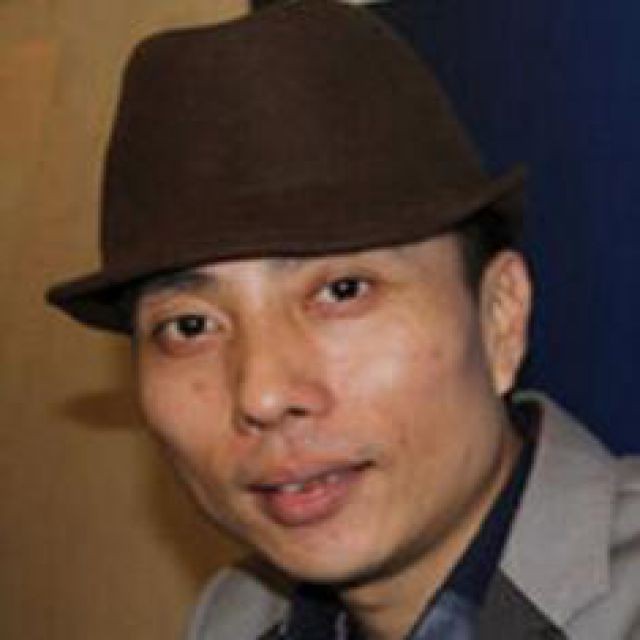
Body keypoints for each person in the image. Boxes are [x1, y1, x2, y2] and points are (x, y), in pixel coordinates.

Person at [46, 1, 640, 638]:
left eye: (343, 290)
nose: (263, 394)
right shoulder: (236, 617)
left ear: (499, 316)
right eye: (190, 327)